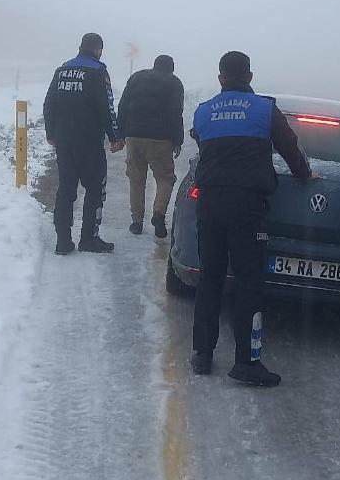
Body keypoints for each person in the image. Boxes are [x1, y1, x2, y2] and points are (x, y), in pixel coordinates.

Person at [190, 50, 313, 387]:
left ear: (220, 78)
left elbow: (201, 142)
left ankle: (202, 354)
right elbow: (289, 147)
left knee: (210, 278)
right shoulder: (264, 109)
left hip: (210, 203)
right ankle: (247, 361)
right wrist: (304, 173)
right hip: (247, 206)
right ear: (250, 77)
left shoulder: (203, 112)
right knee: (248, 282)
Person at [43, 32, 124, 255]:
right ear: (98, 50)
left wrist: (51, 132)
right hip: (89, 142)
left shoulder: (62, 70)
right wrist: (115, 136)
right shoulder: (98, 71)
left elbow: (49, 102)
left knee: (66, 190)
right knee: (95, 190)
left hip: (64, 141)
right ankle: (88, 238)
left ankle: (62, 241)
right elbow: (105, 107)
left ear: (80, 47)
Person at [117, 54, 185, 238]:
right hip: (160, 138)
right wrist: (177, 139)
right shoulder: (174, 83)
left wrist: (120, 133)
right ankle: (159, 214)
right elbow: (175, 112)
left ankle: (136, 222)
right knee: (165, 178)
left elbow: (123, 105)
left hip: (134, 135)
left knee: (136, 179)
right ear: (171, 68)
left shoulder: (136, 78)